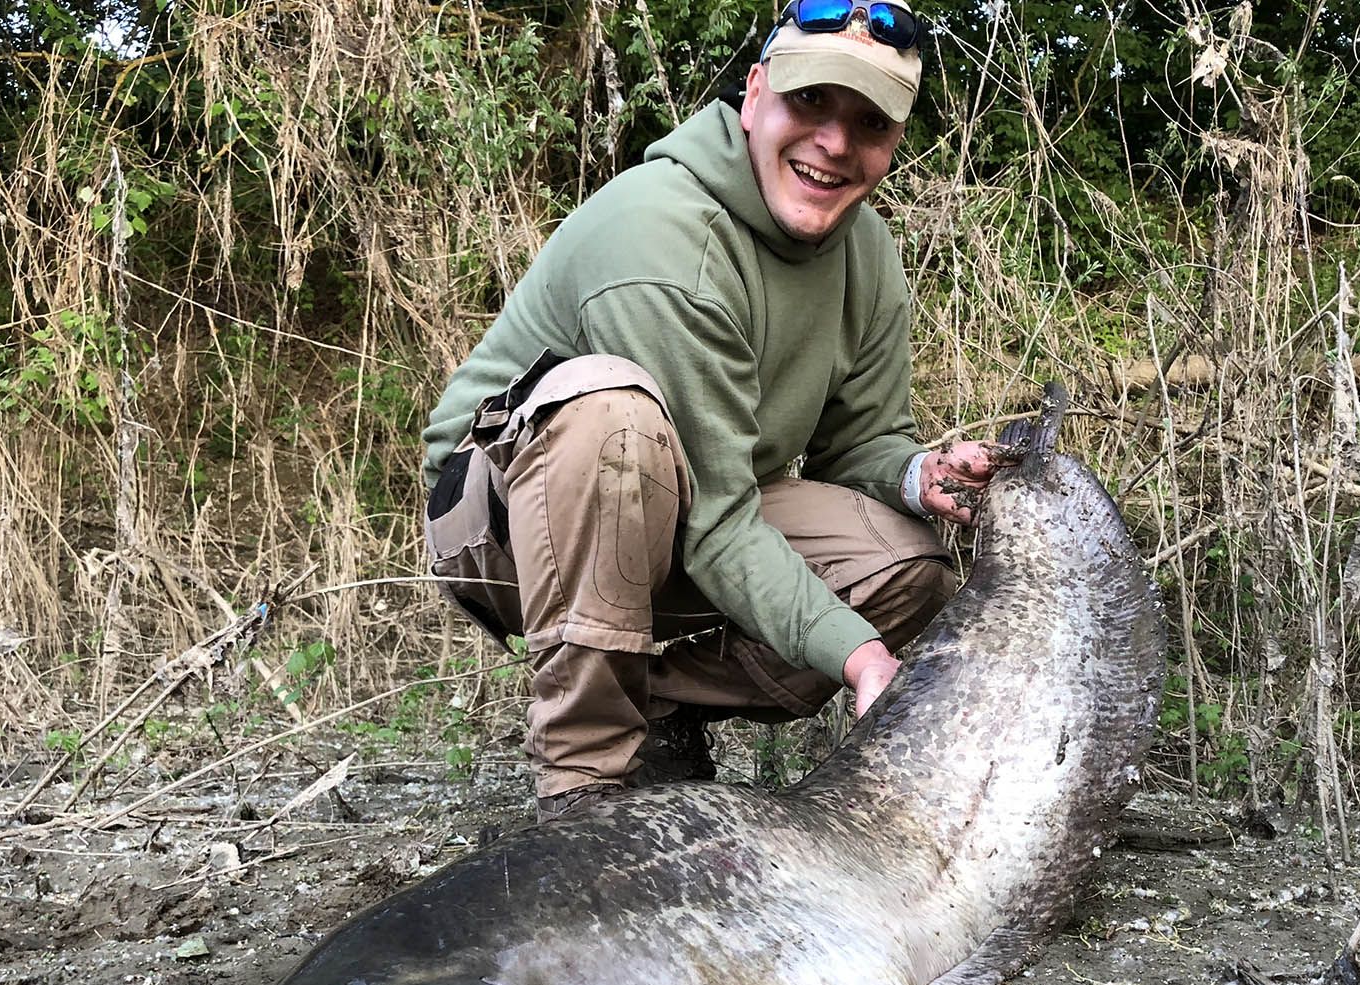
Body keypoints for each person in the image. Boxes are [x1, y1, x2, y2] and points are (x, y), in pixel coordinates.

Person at [420, 1, 1007, 821]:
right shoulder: (662, 237)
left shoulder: (867, 252)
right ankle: (583, 790)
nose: (834, 144)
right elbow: (720, 524)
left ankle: (659, 710)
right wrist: (862, 658)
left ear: (894, 140)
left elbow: (857, 446)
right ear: (756, 93)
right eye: (810, 103)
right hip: (504, 524)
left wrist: (917, 474)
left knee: (908, 565)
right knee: (611, 423)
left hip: (689, 501)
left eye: (868, 122)